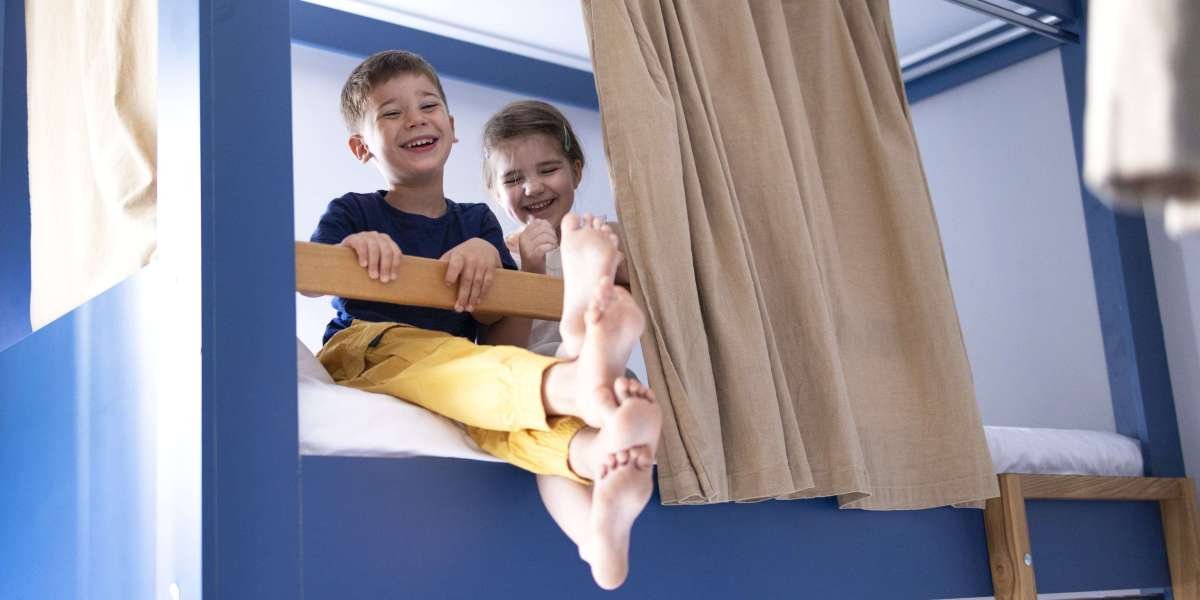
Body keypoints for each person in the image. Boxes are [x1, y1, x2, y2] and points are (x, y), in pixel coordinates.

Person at [309, 50, 660, 590]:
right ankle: (579, 380)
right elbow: (310, 278)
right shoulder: (355, 210)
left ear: (451, 128)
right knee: (457, 364)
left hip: (459, 366)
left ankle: (600, 478)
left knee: (498, 413)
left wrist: (487, 255)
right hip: (369, 348)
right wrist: (357, 244)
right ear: (362, 147)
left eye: (428, 106)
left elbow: (504, 334)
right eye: (391, 113)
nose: (415, 118)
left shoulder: (477, 222)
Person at [482, 100, 630, 359]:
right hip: (527, 384)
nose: (533, 188)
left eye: (548, 170)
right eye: (514, 179)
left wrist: (613, 252)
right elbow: (498, 355)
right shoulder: (498, 259)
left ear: (576, 172)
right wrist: (531, 271)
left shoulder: (601, 238)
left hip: (593, 381)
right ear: (495, 193)